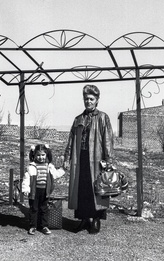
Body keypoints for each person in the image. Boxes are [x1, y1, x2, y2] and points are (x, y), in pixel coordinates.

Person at [63, 84, 115, 234]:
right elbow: (71, 140)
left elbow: (108, 141)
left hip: (98, 159)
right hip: (80, 159)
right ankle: (84, 219)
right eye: (86, 99)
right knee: (82, 189)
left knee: (98, 189)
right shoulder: (78, 119)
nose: (88, 101)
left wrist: (109, 161)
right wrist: (67, 157)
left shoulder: (103, 117)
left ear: (97, 100)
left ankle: (96, 220)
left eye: (91, 99)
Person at [22, 144, 65, 235]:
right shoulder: (31, 167)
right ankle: (33, 226)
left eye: (43, 155)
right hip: (34, 191)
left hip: (45, 191)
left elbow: (55, 174)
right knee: (34, 209)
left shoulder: (49, 166)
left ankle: (44, 226)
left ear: (46, 155)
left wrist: (63, 170)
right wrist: (25, 189)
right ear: (34, 155)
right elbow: (26, 179)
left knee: (44, 209)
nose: (40, 157)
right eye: (38, 155)